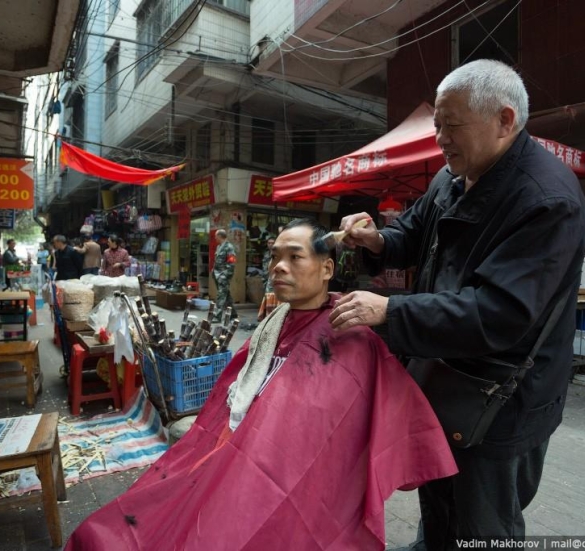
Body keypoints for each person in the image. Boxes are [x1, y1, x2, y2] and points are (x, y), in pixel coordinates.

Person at [65, 219, 457, 550]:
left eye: (295, 257)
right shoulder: (269, 328)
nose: (278, 268)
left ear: (327, 269)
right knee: (103, 535)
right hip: (232, 466)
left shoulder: (352, 338)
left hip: (302, 491)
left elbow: (388, 428)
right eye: (275, 257)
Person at [328, 59, 585, 545]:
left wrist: (389, 312)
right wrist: (377, 240)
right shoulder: (452, 176)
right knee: (440, 503)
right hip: (444, 378)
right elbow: (415, 231)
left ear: (505, 121)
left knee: (484, 525)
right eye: (437, 126)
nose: (440, 139)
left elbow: (500, 313)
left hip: (502, 398)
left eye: (452, 126)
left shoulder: (546, 200)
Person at [213, 228, 237, 321]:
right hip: (217, 274)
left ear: (220, 236)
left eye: (216, 236)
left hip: (223, 275)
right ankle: (233, 314)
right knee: (226, 295)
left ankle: (217, 315)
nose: (215, 238)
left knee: (221, 295)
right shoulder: (219, 247)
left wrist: (226, 274)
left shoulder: (229, 247)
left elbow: (232, 262)